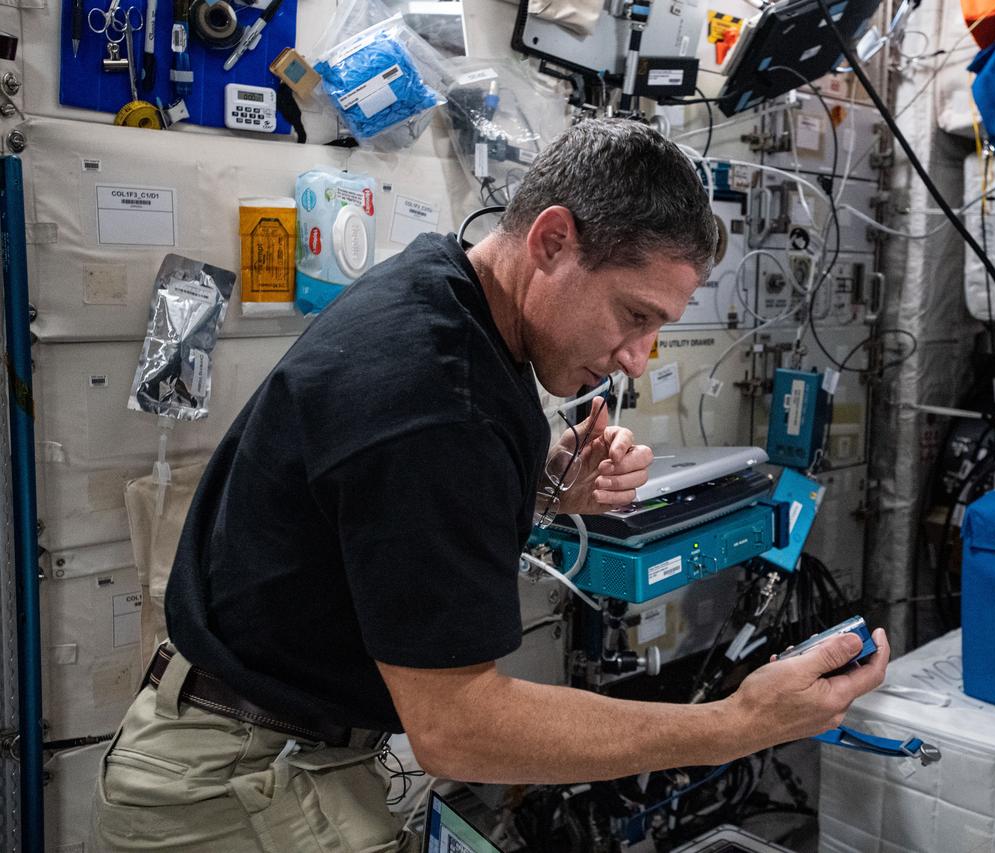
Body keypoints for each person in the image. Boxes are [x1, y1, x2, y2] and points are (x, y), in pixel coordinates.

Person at [94, 118, 889, 851]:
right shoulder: (437, 395)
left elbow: (385, 521)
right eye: (634, 315)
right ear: (552, 241)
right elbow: (460, 729)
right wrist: (736, 722)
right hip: (231, 789)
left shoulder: (449, 294)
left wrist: (544, 491)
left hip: (271, 753)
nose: (636, 360)